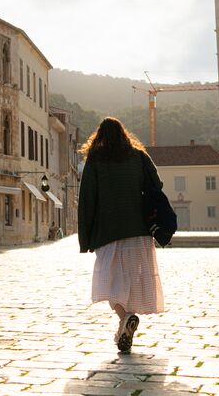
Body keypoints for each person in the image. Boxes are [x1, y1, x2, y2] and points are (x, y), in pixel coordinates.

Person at [77, 117, 165, 352]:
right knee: (133, 283)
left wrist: (84, 239)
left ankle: (125, 317)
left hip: (108, 233)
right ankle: (126, 323)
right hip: (139, 232)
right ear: (124, 134)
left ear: (99, 137)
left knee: (110, 284)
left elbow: (87, 200)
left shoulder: (95, 160)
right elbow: (158, 184)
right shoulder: (139, 156)